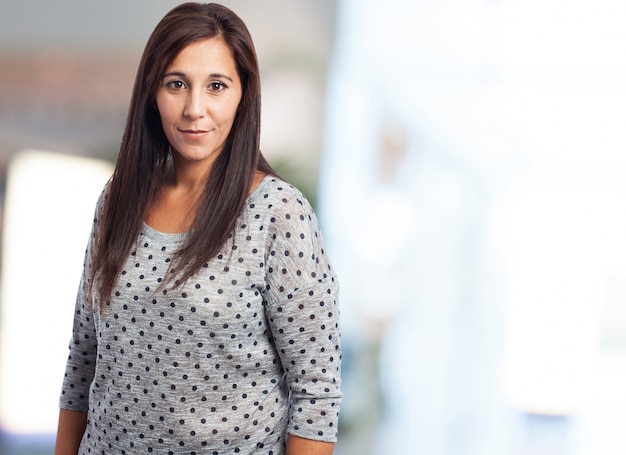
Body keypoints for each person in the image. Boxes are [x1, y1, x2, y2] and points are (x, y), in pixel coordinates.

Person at [54, 3, 342, 454]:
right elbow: (83, 361)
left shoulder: (278, 213)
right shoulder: (117, 200)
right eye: (176, 84)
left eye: (216, 87)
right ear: (152, 92)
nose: (194, 109)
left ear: (243, 94)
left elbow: (316, 394)